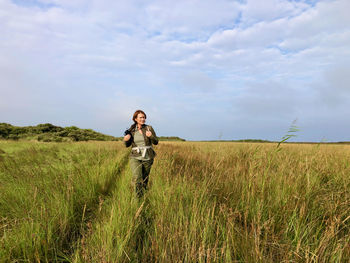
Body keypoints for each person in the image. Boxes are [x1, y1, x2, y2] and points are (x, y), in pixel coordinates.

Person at [123, 110, 158, 198]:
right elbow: (127, 145)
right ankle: (137, 198)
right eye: (141, 117)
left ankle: (143, 195)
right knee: (137, 177)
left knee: (145, 178)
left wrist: (151, 136)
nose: (143, 119)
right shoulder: (131, 130)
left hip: (148, 156)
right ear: (135, 119)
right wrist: (126, 140)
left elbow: (156, 142)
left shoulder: (149, 128)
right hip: (135, 156)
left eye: (144, 117)